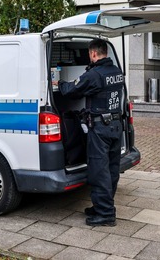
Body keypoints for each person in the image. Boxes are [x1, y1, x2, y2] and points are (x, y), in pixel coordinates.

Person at [58, 39, 125, 227]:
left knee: (98, 171)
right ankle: (103, 206)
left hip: (100, 129)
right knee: (111, 170)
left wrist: (59, 82)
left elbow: (72, 90)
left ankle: (105, 214)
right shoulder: (116, 72)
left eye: (89, 54)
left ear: (93, 54)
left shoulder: (94, 74)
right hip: (116, 127)